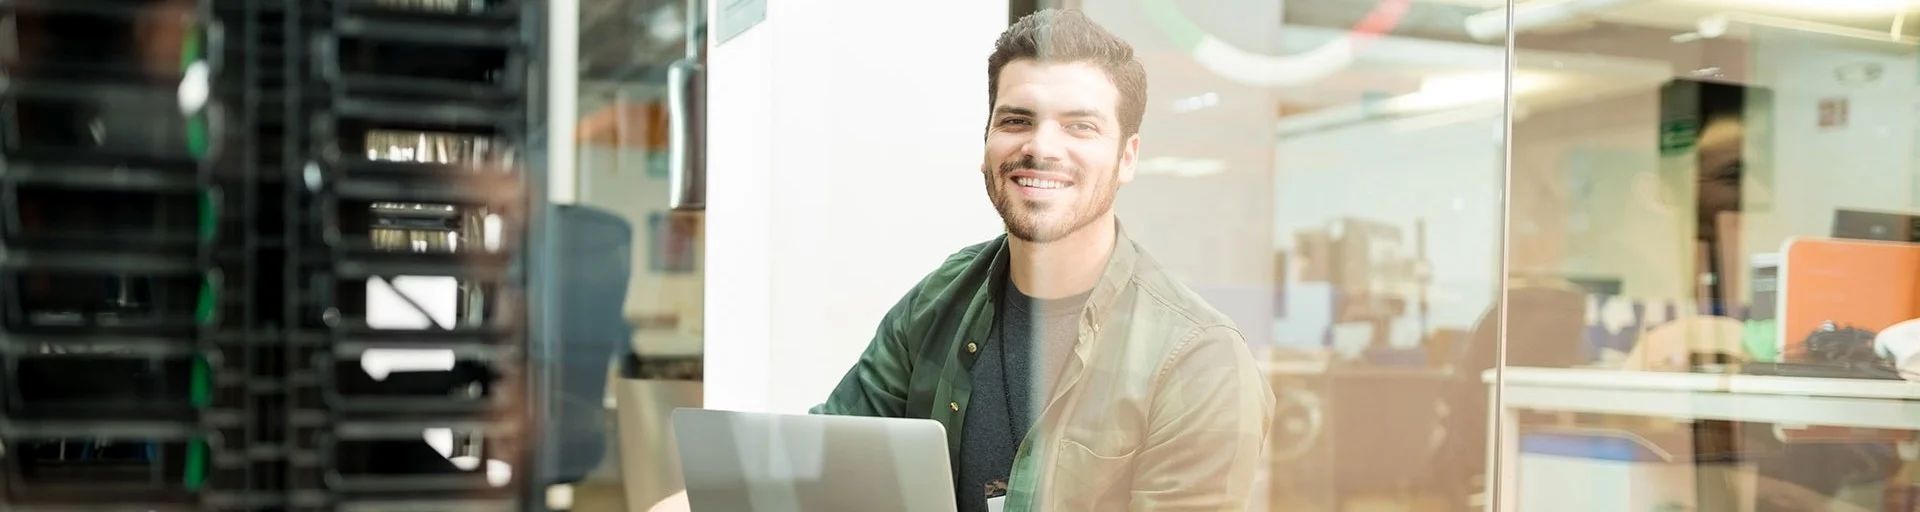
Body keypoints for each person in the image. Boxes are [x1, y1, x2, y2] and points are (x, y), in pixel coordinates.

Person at [652, 9, 1273, 512]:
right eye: (1016, 120)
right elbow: (820, 464)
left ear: (1128, 157)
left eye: (1080, 126)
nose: (1040, 147)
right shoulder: (941, 299)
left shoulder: (1199, 362)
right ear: (987, 140)